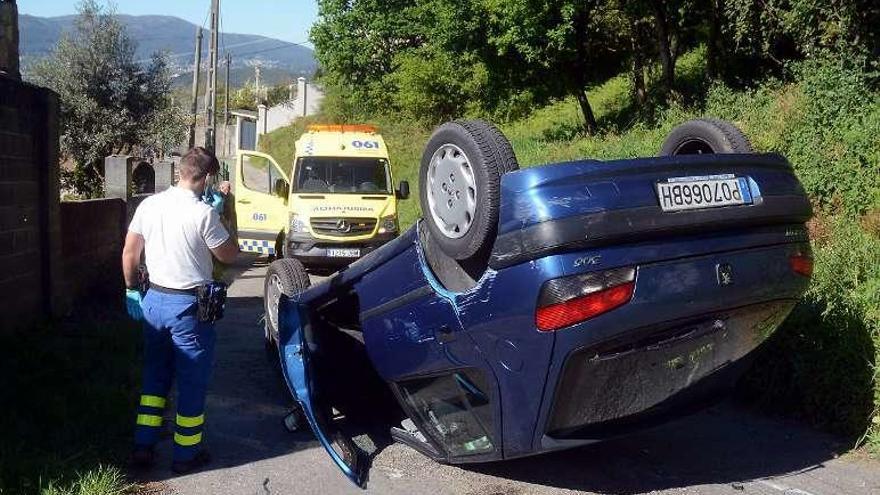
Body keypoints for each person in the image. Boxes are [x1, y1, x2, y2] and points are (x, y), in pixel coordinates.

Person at [121, 147, 239, 473]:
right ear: (207, 178)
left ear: (181, 171)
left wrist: (132, 290)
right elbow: (229, 255)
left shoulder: (150, 204)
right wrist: (223, 214)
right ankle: (185, 456)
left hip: (154, 302)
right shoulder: (204, 214)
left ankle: (143, 447)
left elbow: (130, 254)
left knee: (154, 377)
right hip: (189, 307)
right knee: (191, 382)